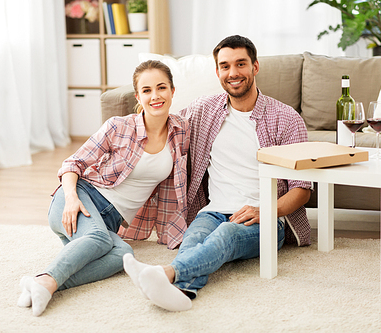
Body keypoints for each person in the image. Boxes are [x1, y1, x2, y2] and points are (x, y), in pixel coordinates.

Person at [123, 35, 312, 312]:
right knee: (194, 239)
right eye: (225, 66)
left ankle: (164, 274)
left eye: (240, 64)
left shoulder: (286, 118)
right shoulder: (203, 110)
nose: (233, 73)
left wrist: (265, 210)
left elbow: (302, 188)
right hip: (212, 211)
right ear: (217, 72)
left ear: (255, 67)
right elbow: (163, 121)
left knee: (225, 235)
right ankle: (182, 291)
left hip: (269, 220)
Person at [17, 60, 190, 316]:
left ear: (173, 91)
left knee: (123, 255)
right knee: (98, 238)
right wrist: (72, 197)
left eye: (161, 88)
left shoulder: (181, 130)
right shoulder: (119, 127)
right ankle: (46, 280)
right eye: (147, 90)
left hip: (110, 219)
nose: (155, 96)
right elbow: (72, 163)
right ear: (138, 97)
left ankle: (43, 283)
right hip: (78, 199)